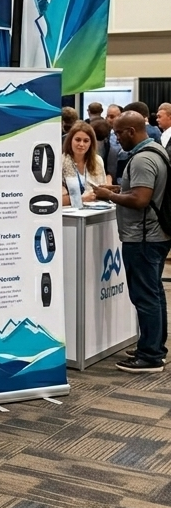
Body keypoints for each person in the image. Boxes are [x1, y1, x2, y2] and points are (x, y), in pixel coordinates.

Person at [94, 111, 170, 373]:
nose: (116, 138)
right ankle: (154, 346)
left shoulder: (142, 159)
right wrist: (119, 190)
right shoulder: (157, 151)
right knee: (154, 293)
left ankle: (150, 355)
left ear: (131, 131)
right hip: (155, 235)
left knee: (145, 296)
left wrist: (108, 195)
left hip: (144, 238)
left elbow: (140, 200)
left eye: (118, 133)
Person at [61, 121, 110, 206]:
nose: (81, 144)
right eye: (78, 140)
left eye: (86, 141)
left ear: (91, 143)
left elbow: (103, 191)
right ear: (70, 140)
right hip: (69, 214)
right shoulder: (60, 161)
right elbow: (56, 200)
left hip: (95, 212)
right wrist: (80, 199)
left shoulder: (97, 160)